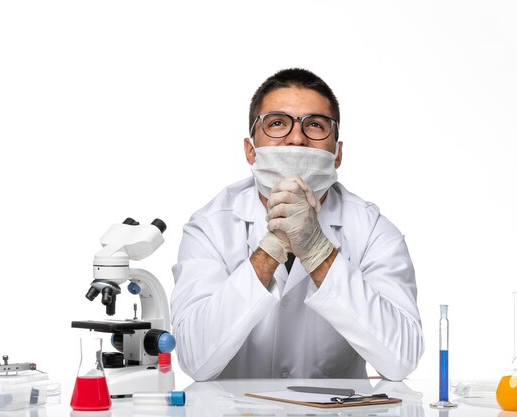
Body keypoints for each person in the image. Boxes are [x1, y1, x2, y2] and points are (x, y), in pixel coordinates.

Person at [171, 68, 424, 381]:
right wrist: (272, 245)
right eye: (278, 123)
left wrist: (318, 251)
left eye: (315, 125)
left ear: (338, 154)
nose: (296, 137)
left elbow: (401, 358)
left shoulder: (372, 230)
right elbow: (196, 359)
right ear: (251, 150)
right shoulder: (210, 228)